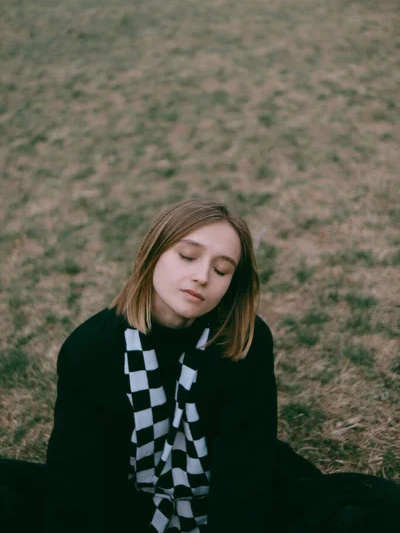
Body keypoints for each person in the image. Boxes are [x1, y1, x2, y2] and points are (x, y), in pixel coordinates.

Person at [0, 198, 399, 533]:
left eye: (222, 269)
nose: (202, 276)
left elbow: (244, 464)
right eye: (188, 256)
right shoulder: (91, 348)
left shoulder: (244, 339)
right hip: (122, 495)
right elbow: (79, 471)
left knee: (375, 510)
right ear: (152, 254)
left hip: (222, 492)